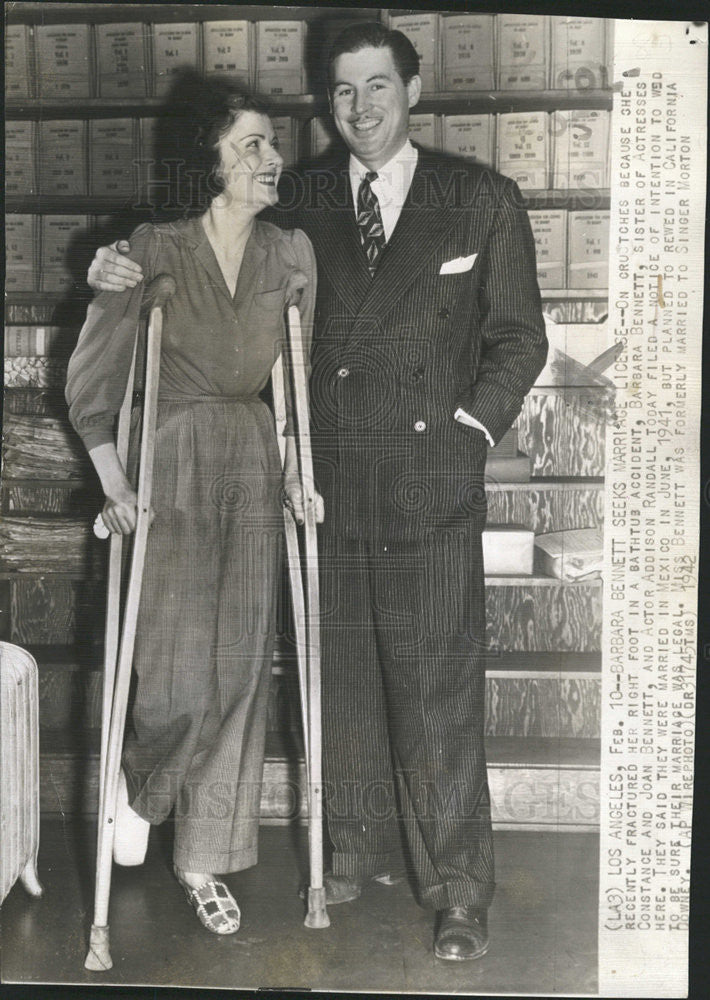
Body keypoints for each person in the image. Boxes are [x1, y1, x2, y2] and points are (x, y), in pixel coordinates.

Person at [85, 22, 547, 961]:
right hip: (320, 479)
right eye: (342, 93)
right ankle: (348, 852)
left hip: (422, 479)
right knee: (337, 682)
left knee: (436, 691)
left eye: (379, 87)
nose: (361, 108)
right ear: (326, 105)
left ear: (413, 92)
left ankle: (456, 887)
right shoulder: (298, 208)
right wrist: (105, 265)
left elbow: (519, 338)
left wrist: (469, 434)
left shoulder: (479, 199)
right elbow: (190, 238)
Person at [67, 81, 321, 936]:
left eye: (272, 144)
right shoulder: (151, 248)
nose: (270, 158)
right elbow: (93, 383)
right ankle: (142, 785)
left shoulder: (291, 255)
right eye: (250, 145)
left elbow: (293, 389)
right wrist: (115, 484)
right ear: (208, 161)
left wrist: (295, 472)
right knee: (176, 673)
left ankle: (205, 855)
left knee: (243, 668)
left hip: (252, 459)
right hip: (170, 462)